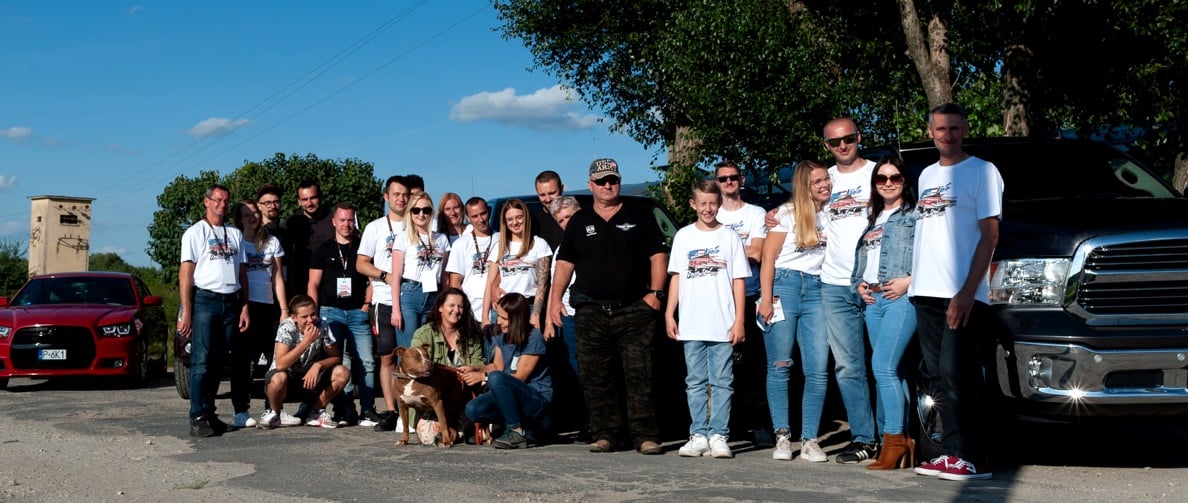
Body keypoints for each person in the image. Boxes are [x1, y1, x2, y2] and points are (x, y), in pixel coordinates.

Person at [548, 158, 668, 455]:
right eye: (600, 181)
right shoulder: (579, 221)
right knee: (596, 377)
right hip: (591, 310)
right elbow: (565, 263)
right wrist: (553, 300)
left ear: (619, 181)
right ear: (590, 185)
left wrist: (655, 294)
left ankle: (645, 435)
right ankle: (605, 434)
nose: (607, 185)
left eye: (612, 180)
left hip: (634, 309)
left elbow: (658, 255)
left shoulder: (640, 214)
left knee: (640, 374)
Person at [910, 103, 1003, 481]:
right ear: (930, 132)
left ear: (965, 130)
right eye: (939, 129)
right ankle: (951, 453)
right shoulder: (926, 175)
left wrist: (967, 291)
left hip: (960, 292)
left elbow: (990, 235)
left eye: (953, 129)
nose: (946, 135)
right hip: (925, 291)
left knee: (958, 374)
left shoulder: (983, 171)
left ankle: (972, 456)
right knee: (938, 375)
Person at [665, 180, 748, 459]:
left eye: (713, 203)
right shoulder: (684, 237)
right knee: (695, 381)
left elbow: (738, 281)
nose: (708, 209)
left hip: (722, 322)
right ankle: (698, 433)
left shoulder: (730, 237)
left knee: (723, 381)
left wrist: (739, 321)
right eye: (703, 203)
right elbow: (676, 276)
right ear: (693, 204)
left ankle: (719, 435)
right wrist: (669, 313)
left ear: (719, 204)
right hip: (691, 322)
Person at [757, 161, 831, 462]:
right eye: (817, 182)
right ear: (804, 185)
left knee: (818, 369)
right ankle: (783, 436)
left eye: (827, 179)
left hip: (818, 289)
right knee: (780, 364)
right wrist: (765, 299)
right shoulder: (786, 215)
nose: (825, 185)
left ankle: (811, 439)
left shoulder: (831, 214)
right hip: (784, 287)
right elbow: (768, 259)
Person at [816, 118, 880, 464]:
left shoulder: (879, 172)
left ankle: (894, 437)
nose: (843, 146)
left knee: (886, 366)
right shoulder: (824, 179)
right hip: (835, 285)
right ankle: (864, 438)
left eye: (849, 138)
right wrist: (772, 216)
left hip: (876, 284)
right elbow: (798, 207)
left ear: (859, 137)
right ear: (826, 145)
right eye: (835, 142)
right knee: (848, 368)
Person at [852, 157, 919, 470]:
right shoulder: (875, 216)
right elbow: (867, 258)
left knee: (883, 367)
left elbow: (931, 253)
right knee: (896, 372)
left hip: (901, 300)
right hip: (874, 301)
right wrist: (860, 284)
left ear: (905, 180)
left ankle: (894, 441)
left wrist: (909, 281)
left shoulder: (915, 214)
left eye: (895, 177)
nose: (888, 183)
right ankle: (904, 439)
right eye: (882, 178)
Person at [177, 184, 250, 437]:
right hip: (205, 300)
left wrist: (244, 306)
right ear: (206, 201)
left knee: (220, 362)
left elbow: (242, 271)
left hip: (230, 300)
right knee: (201, 361)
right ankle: (197, 415)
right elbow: (186, 274)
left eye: (226, 201)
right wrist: (186, 310)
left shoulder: (234, 233)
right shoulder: (194, 233)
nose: (222, 204)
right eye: (217, 200)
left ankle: (210, 413)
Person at [712, 160, 770, 444]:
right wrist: (738, 249)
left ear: (742, 179)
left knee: (755, 363)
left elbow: (757, 253)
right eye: (723, 179)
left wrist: (725, 249)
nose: (728, 183)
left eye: (733, 178)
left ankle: (760, 424)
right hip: (719, 297)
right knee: (724, 365)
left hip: (750, 295)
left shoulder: (756, 213)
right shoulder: (712, 214)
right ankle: (731, 425)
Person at [308, 203, 375, 427]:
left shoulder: (363, 248)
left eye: (350, 220)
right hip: (331, 312)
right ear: (334, 222)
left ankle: (368, 410)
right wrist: (314, 315)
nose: (346, 224)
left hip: (357, 311)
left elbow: (372, 280)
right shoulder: (322, 250)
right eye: (342, 220)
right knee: (340, 361)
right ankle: (345, 408)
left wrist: (366, 305)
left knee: (366, 361)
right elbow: (313, 284)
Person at [461, 293, 553, 449]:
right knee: (473, 410)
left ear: (517, 319)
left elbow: (519, 377)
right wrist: (474, 368)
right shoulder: (500, 334)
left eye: (504, 318)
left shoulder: (534, 338)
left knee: (496, 378)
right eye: (498, 316)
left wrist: (483, 377)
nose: (499, 322)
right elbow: (497, 366)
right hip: (509, 393)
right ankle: (523, 427)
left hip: (535, 398)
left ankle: (515, 430)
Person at [357, 175, 412, 431]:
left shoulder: (416, 223)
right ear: (386, 197)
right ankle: (391, 410)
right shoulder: (375, 227)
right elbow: (361, 263)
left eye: (405, 195)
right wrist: (384, 276)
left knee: (413, 357)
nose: (401, 199)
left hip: (412, 299)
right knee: (387, 358)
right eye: (396, 194)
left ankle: (412, 410)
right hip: (384, 300)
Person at [230, 199, 289, 429]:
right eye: (247, 214)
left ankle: (274, 409)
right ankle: (241, 411)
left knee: (275, 360)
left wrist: (283, 309)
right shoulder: (236, 241)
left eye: (255, 213)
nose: (253, 217)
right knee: (243, 362)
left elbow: (277, 277)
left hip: (268, 306)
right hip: (244, 306)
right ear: (239, 219)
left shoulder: (272, 241)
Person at [257, 295, 350, 430]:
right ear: (294, 317)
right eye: (304, 317)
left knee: (343, 372)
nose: (310, 320)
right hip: (287, 379)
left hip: (309, 378)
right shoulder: (286, 327)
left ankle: (315, 412)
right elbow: (281, 364)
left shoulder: (322, 325)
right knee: (278, 378)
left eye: (313, 314)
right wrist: (306, 342)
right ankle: (275, 413)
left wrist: (318, 365)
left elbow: (336, 356)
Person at [389, 192, 451, 357]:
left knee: (429, 350)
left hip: (434, 295)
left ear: (432, 212)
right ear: (410, 212)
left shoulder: (442, 239)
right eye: (416, 210)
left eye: (426, 210)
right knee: (409, 352)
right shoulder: (403, 238)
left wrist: (446, 302)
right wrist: (396, 309)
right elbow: (395, 276)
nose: (421, 214)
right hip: (410, 295)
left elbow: (445, 276)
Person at [482, 198, 552, 331]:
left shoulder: (539, 244)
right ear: (505, 222)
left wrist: (536, 315)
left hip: (528, 307)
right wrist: (485, 316)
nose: (515, 222)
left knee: (528, 350)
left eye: (519, 217)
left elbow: (542, 284)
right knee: (502, 351)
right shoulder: (500, 247)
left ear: (526, 217)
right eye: (510, 219)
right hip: (503, 308)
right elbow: (490, 283)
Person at [446, 197, 498, 322]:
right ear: (468, 218)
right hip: (471, 313)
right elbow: (455, 282)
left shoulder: (501, 239)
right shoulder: (461, 244)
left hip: (498, 312)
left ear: (489, 212)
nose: (480, 219)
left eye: (483, 214)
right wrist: (463, 310)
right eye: (475, 216)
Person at [282, 179, 335, 305]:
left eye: (313, 198)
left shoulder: (334, 219)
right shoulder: (292, 223)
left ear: (320, 197)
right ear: (299, 201)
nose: (309, 203)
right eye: (305, 199)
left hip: (329, 286)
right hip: (300, 287)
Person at [256, 184, 290, 264]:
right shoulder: (254, 234)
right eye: (267, 203)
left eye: (276, 202)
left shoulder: (286, 234)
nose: (273, 206)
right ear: (259, 206)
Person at [531, 170, 566, 248]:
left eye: (552, 193)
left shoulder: (577, 216)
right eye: (542, 195)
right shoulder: (531, 222)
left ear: (562, 188)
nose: (548, 199)